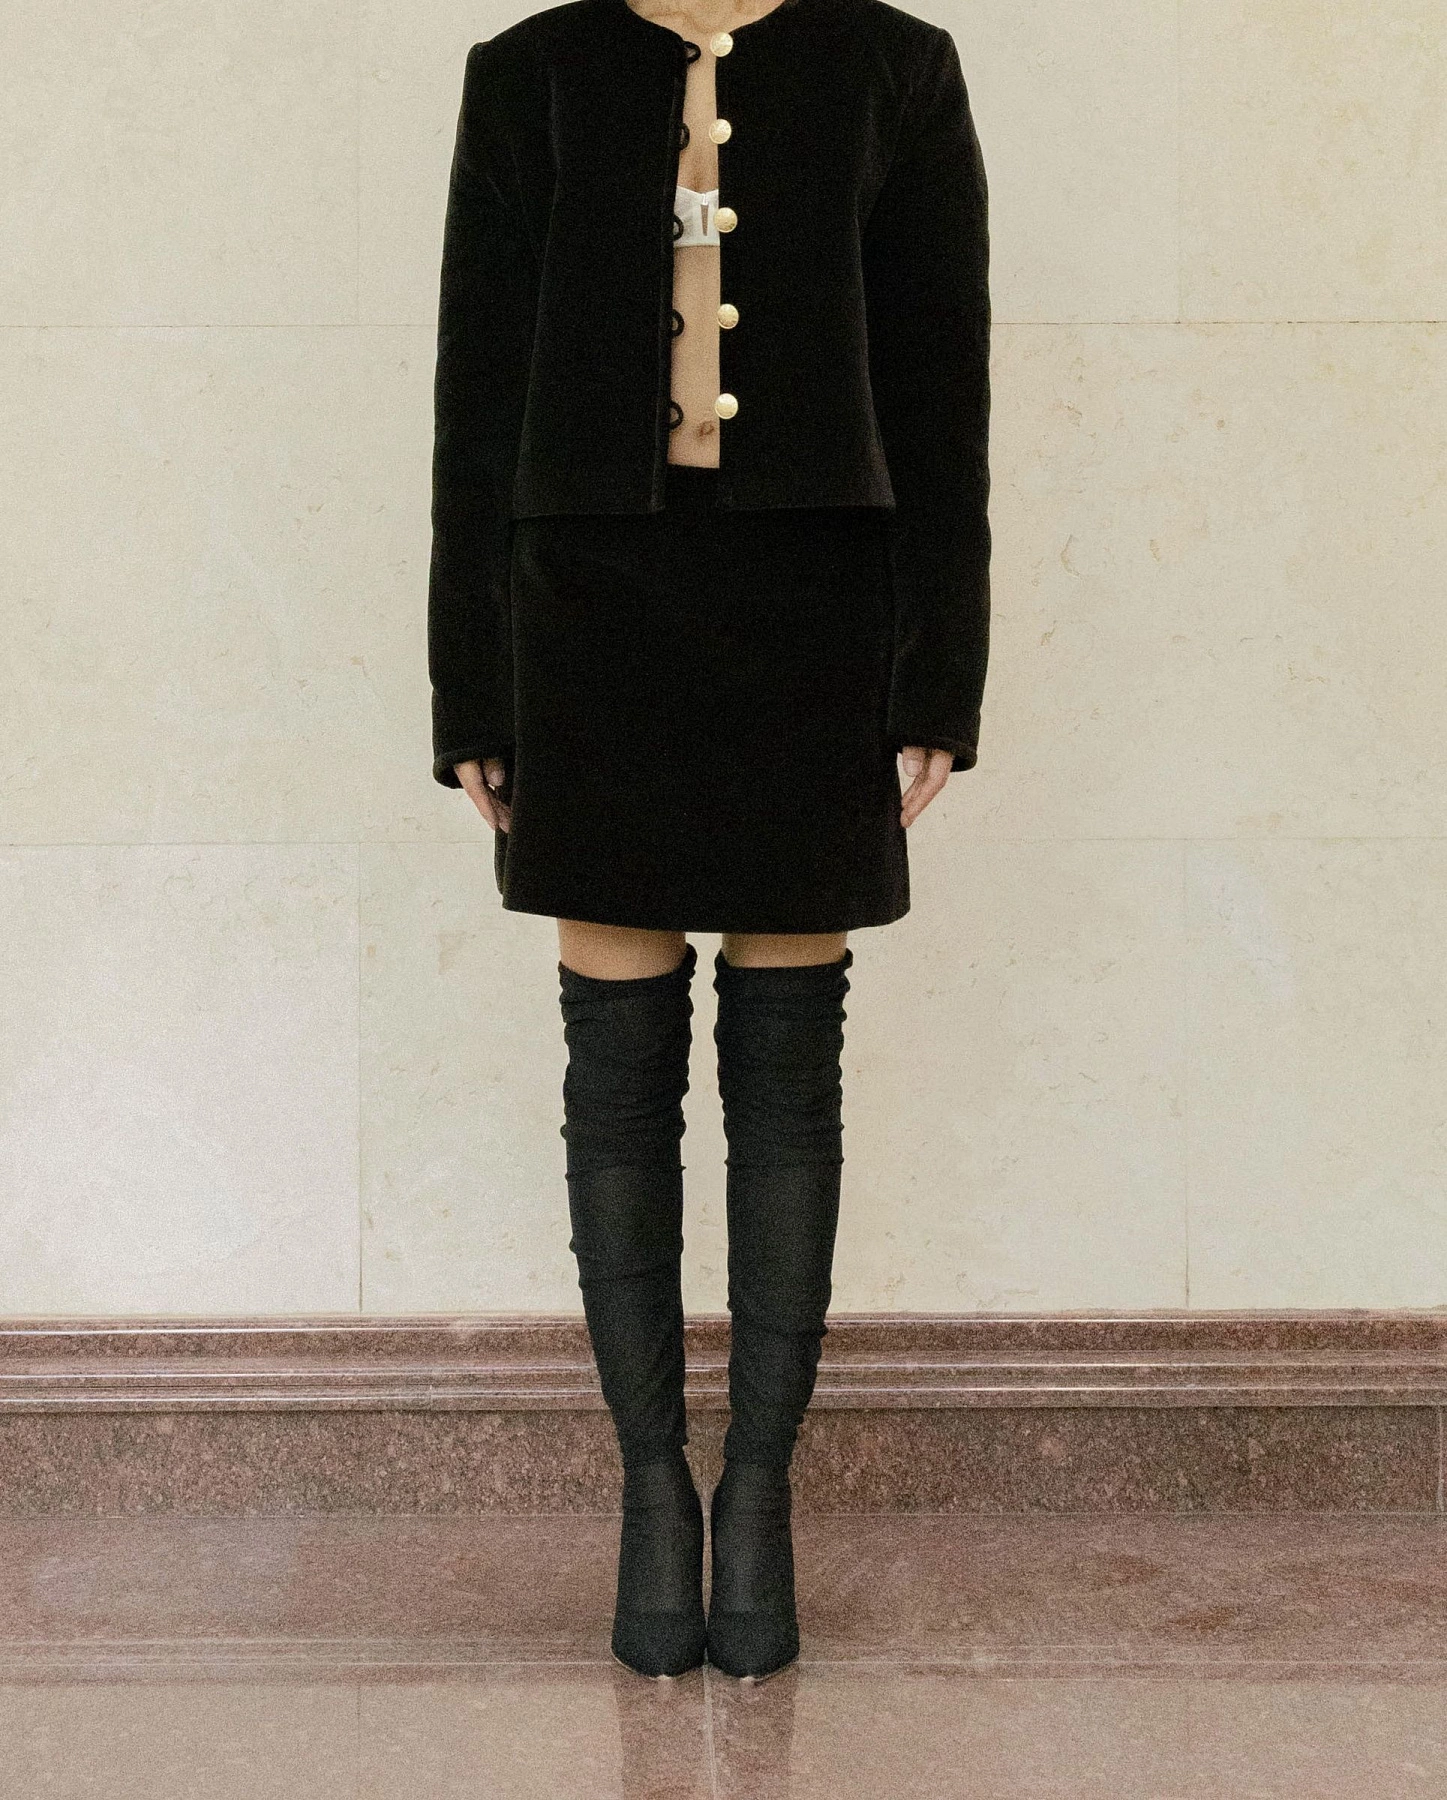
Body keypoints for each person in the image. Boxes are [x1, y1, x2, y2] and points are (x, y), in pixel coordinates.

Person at [427, 0, 991, 1681]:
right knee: (614, 1067)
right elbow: (474, 395)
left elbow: (941, 385)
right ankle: (649, 1492)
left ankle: (756, 1495)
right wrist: (471, 684)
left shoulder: (894, 66)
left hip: (816, 604)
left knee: (786, 1069)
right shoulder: (527, 74)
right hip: (586, 603)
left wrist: (937, 675)